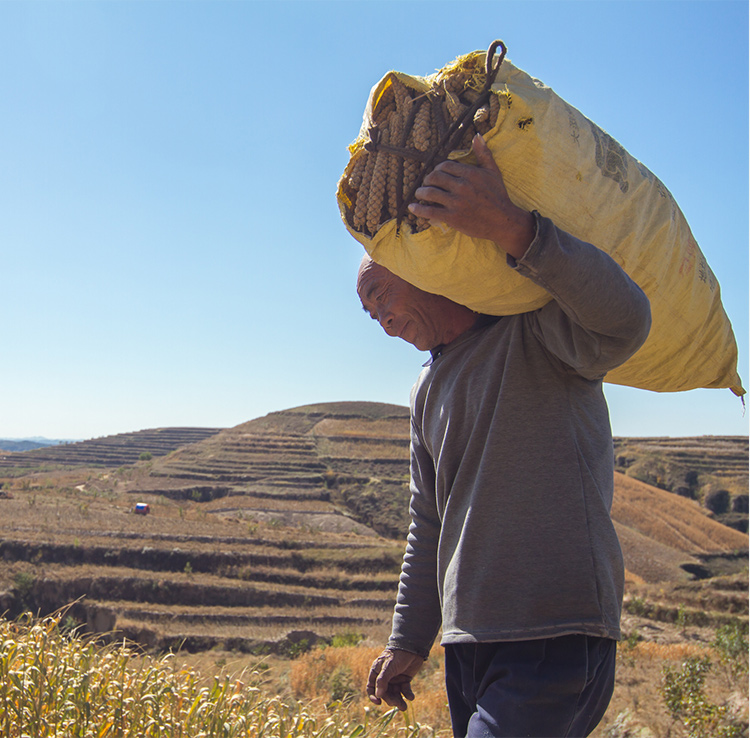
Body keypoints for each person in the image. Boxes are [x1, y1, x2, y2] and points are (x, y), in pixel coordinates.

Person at [356, 134, 652, 738]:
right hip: (469, 641)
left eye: (380, 295)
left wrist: (515, 230)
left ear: (425, 270)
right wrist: (409, 639)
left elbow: (626, 321)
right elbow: (428, 520)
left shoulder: (534, 334)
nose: (381, 321)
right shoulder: (426, 388)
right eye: (369, 313)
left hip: (553, 631)